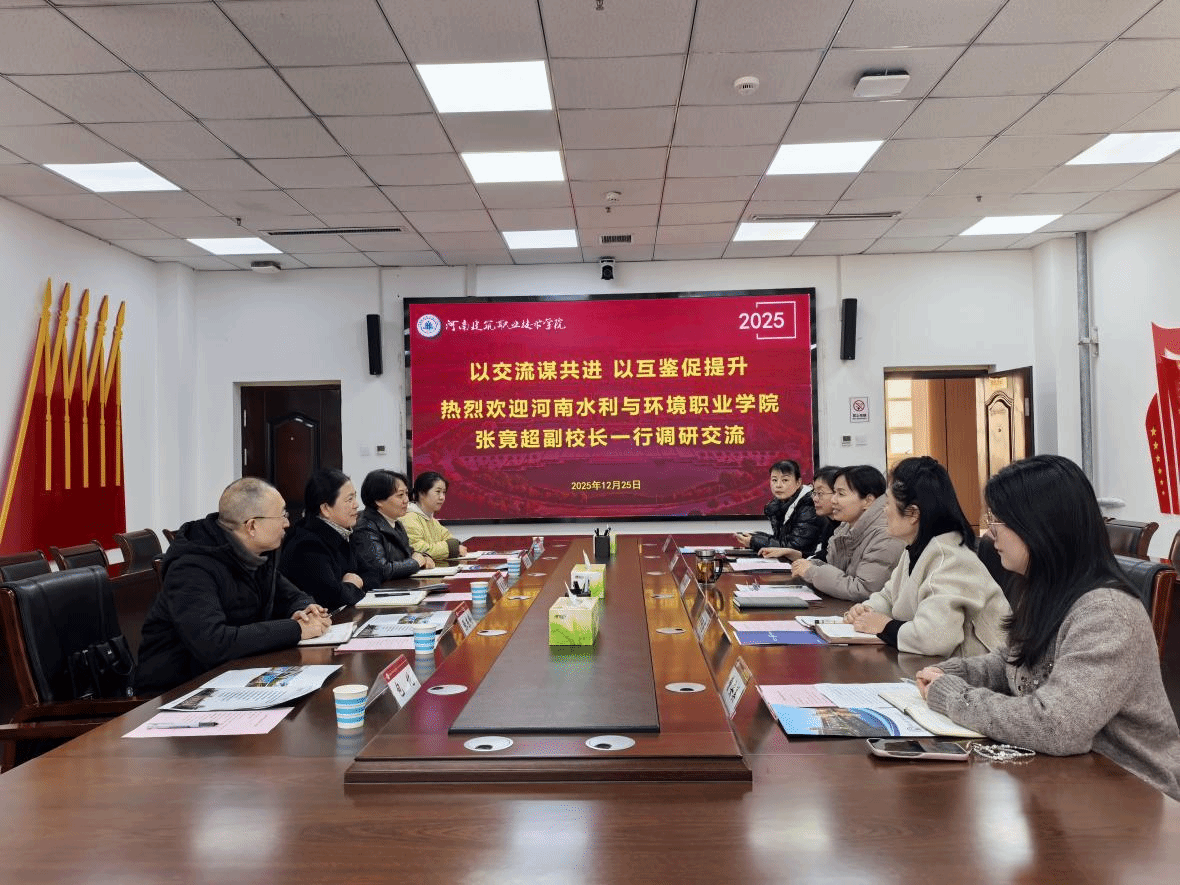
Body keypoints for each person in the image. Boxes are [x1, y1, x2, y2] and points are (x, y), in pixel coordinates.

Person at [917, 455, 1180, 800]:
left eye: (999, 520)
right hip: (1071, 783)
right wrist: (953, 672)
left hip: (1133, 795)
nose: (991, 532)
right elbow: (1010, 663)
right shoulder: (1045, 589)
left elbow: (1057, 725)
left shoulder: (1108, 613)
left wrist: (954, 697)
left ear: (1039, 526)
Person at [135, 477, 330, 695]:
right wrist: (296, 629)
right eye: (282, 515)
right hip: (178, 691)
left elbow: (292, 596)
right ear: (252, 526)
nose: (287, 523)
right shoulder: (191, 568)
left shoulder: (256, 554)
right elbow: (213, 643)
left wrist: (305, 610)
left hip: (235, 674)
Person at [842, 456, 1009, 657]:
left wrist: (884, 625)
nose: (884, 511)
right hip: (937, 665)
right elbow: (889, 596)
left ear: (913, 513)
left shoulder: (951, 558)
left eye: (888, 503)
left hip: (978, 667)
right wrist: (865, 611)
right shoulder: (916, 548)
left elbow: (935, 639)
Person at [791, 464, 905, 601]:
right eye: (834, 492)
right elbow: (838, 571)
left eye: (841, 494)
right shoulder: (845, 527)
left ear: (868, 500)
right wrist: (813, 565)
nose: (833, 500)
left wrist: (812, 572)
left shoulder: (886, 536)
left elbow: (864, 590)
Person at [280, 468, 365, 610]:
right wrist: (352, 585)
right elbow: (331, 598)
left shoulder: (344, 532)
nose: (356, 505)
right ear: (325, 509)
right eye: (349, 499)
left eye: (354, 497)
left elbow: (372, 572)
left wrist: (350, 585)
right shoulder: (307, 544)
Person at [351, 469, 435, 586]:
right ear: (379, 500)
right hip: (379, 592)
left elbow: (407, 552)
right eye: (400, 495)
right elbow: (380, 570)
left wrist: (424, 557)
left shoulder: (395, 522)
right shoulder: (366, 527)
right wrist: (415, 563)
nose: (406, 500)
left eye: (406, 493)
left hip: (400, 587)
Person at [734, 459, 829, 557]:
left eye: (785, 480)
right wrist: (755, 537)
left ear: (798, 482)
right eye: (774, 480)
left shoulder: (809, 506)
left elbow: (793, 548)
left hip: (811, 563)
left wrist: (754, 541)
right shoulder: (780, 505)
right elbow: (782, 541)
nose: (778, 485)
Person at [758, 465, 839, 562]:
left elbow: (829, 563)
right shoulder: (830, 524)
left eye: (820, 493)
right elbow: (822, 557)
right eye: (814, 492)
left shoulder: (844, 529)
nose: (815, 498)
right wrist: (789, 552)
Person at [401, 471, 468, 560]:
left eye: (444, 492)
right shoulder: (408, 518)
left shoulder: (431, 520)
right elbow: (418, 549)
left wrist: (453, 546)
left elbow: (450, 540)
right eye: (438, 492)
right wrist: (453, 548)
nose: (442, 497)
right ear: (421, 493)